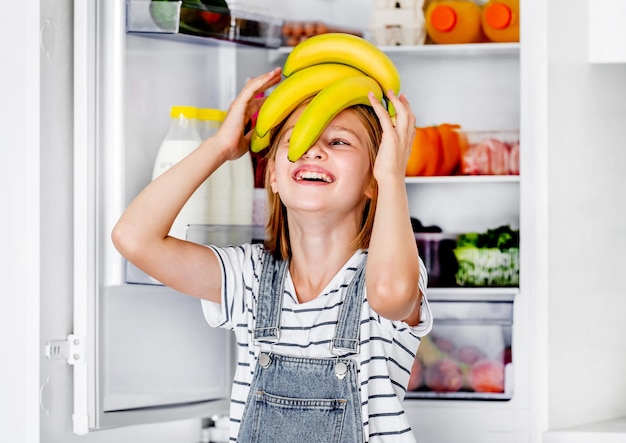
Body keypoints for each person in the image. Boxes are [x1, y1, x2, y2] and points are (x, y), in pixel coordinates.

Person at [112, 67, 433, 442]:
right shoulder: (249, 275)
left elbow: (393, 294)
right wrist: (220, 148)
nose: (314, 149)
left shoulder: (387, 273)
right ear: (275, 177)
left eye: (339, 142)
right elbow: (133, 239)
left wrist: (394, 177)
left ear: (371, 180)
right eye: (296, 141)